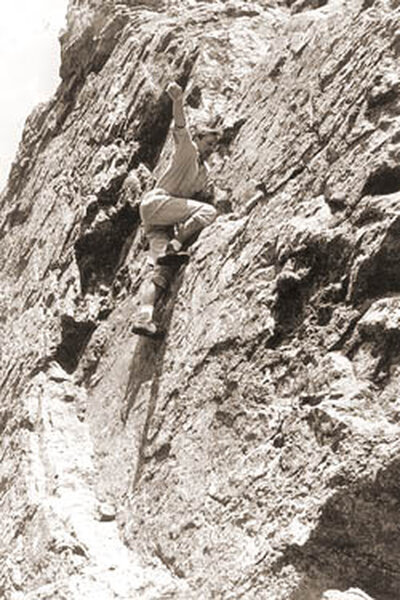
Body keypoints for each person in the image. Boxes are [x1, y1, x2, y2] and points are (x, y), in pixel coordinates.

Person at [131, 82, 219, 337]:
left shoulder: (204, 174)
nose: (211, 149)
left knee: (162, 272)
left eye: (215, 146)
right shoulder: (187, 151)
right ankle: (175, 247)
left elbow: (198, 196)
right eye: (209, 142)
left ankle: (143, 318)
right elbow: (180, 127)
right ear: (199, 139)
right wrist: (178, 100)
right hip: (157, 202)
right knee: (209, 213)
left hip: (159, 222)